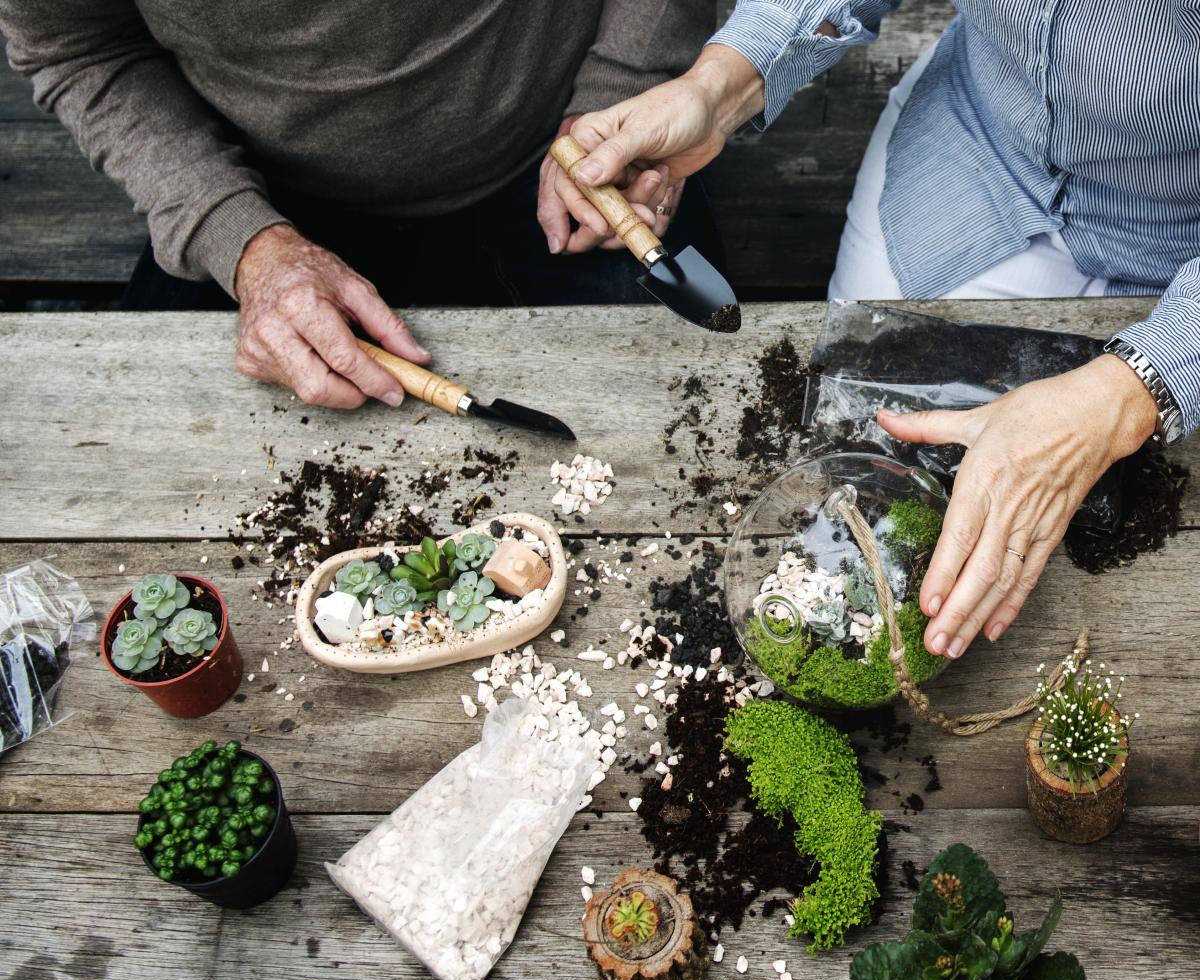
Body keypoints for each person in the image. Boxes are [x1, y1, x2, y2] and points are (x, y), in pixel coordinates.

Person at [547, 0, 1200, 662]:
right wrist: (716, 89)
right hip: (971, 159)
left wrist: (1133, 388)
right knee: (859, 440)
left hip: (1178, 232)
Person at [0, 0, 722, 408]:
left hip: (568, 151)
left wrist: (620, 91)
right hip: (259, 196)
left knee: (687, 412)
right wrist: (235, 235)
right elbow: (79, 48)